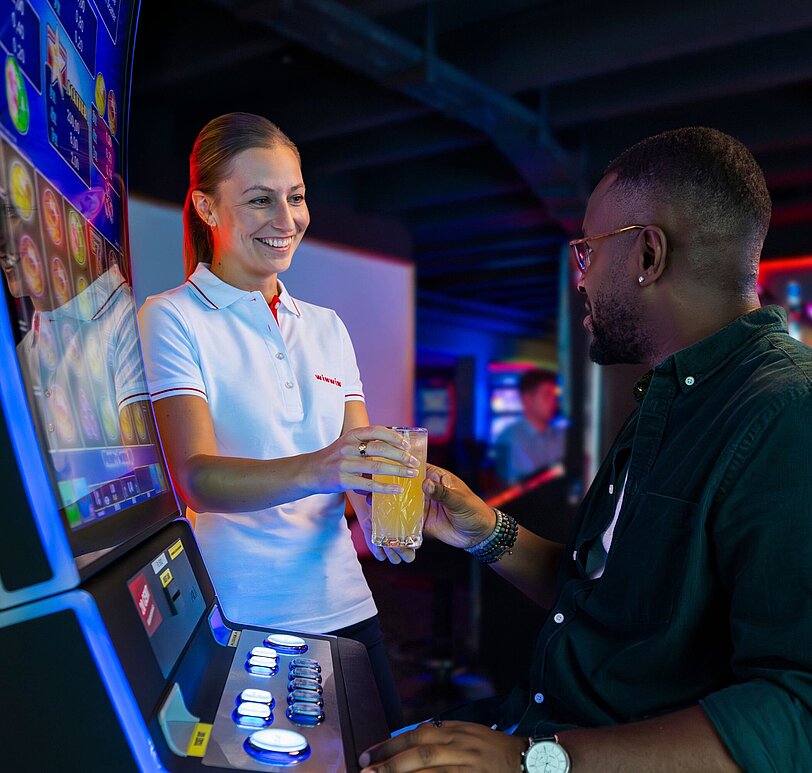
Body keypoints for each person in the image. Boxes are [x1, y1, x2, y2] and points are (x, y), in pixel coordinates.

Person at [358, 127, 812, 772]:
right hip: (542, 724)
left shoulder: (788, 411)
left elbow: (796, 710)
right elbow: (606, 599)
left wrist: (536, 762)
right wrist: (484, 529)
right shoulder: (668, 396)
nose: (580, 280)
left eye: (588, 252)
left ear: (648, 255)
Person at [137, 112, 418, 730]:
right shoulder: (173, 317)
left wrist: (381, 509)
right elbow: (197, 480)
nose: (287, 220)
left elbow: (359, 464)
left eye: (295, 198)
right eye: (260, 200)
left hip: (347, 603)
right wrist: (326, 467)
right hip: (242, 613)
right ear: (207, 208)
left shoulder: (326, 325)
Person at [493, 368, 565, 485]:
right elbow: (506, 490)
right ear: (527, 399)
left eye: (554, 396)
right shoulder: (509, 439)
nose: (554, 402)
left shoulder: (560, 436)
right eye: (547, 395)